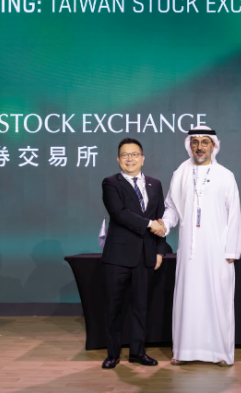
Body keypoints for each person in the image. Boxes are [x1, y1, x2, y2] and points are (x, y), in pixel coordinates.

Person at [160, 125, 241, 367]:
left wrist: (231, 249)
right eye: (195, 142)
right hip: (189, 250)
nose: (199, 147)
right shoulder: (180, 173)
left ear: (213, 145)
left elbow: (234, 214)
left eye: (204, 142)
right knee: (188, 298)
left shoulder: (226, 176)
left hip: (217, 251)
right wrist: (165, 224)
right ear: (189, 145)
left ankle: (221, 353)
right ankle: (183, 350)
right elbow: (172, 207)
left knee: (218, 298)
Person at [100, 138, 168, 369]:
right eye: (125, 155)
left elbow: (160, 219)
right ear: (118, 159)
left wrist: (159, 251)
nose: (130, 158)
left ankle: (138, 352)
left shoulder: (155, 184)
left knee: (141, 307)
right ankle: (113, 354)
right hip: (117, 257)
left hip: (145, 256)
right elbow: (119, 213)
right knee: (114, 307)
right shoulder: (111, 183)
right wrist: (149, 224)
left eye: (134, 154)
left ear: (142, 158)